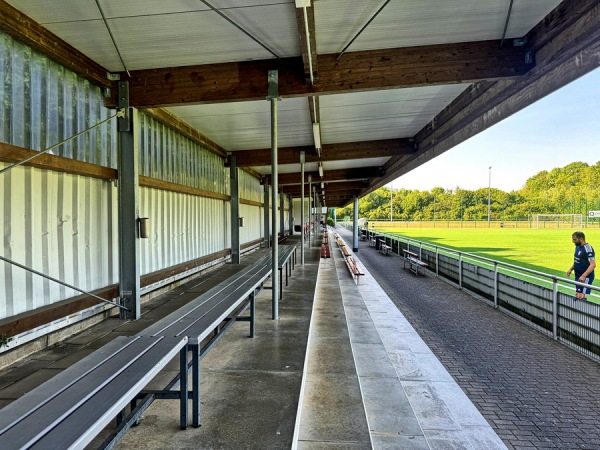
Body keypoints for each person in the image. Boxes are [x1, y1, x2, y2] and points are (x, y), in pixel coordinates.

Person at [566, 231, 595, 300]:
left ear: (581, 239)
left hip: (586, 276)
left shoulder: (588, 249)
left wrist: (583, 276)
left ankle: (584, 310)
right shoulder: (577, 247)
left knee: (581, 296)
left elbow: (593, 265)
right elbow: (577, 260)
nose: (573, 241)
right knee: (577, 295)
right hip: (578, 275)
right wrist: (571, 269)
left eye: (575, 239)